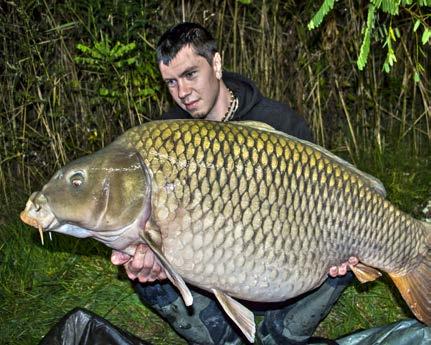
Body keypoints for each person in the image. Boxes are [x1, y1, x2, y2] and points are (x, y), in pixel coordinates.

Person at [109, 22, 352, 345]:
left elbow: (323, 201)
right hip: (209, 280)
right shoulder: (168, 142)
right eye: (171, 82)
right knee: (143, 271)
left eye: (191, 74)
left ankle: (281, 334)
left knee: (350, 250)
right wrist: (154, 259)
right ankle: (226, 338)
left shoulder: (279, 123)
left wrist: (340, 247)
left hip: (286, 277)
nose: (183, 93)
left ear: (217, 64)